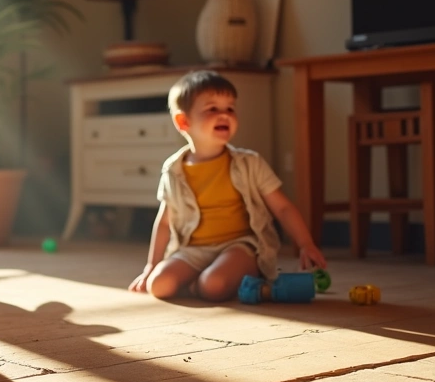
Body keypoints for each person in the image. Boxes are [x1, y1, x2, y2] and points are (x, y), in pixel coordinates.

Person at [128, 70, 326, 301]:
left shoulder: (249, 162)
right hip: (193, 249)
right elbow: (164, 223)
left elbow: (282, 208)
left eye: (230, 108)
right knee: (159, 286)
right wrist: (152, 265)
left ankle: (216, 281)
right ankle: (201, 283)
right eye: (212, 109)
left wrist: (305, 243)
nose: (224, 115)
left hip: (240, 247)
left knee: (214, 286)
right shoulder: (173, 170)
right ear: (183, 121)